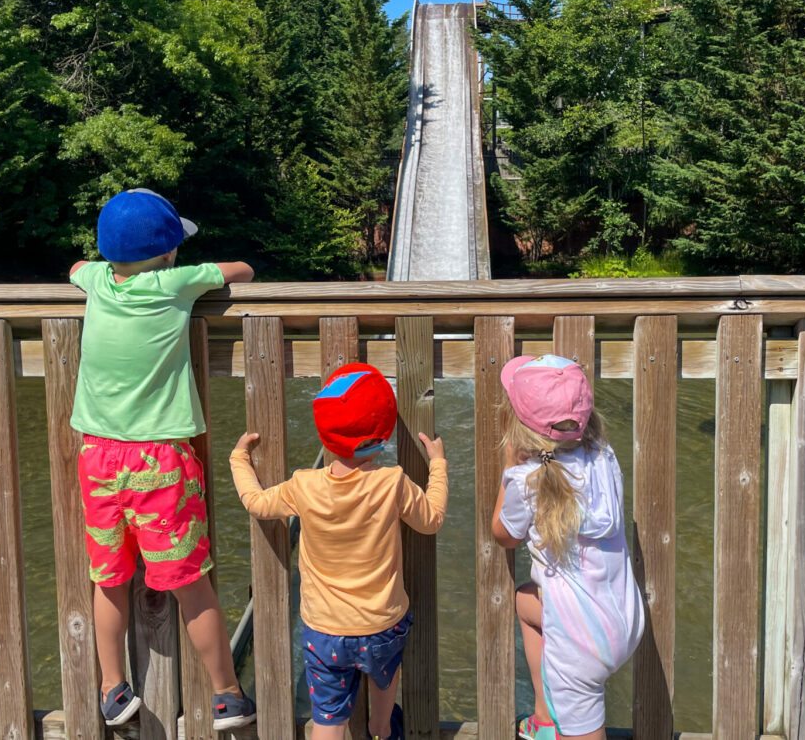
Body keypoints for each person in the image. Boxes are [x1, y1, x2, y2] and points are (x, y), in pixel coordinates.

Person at [69, 188, 256, 729]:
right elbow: (240, 270)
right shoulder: (177, 283)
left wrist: (93, 264)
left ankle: (111, 688)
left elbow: (78, 266)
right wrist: (198, 268)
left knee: (109, 579)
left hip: (98, 457)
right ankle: (227, 695)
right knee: (189, 581)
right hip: (159, 461)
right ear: (171, 252)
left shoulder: (98, 281)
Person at [229, 363, 448, 740]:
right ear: (383, 433)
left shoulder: (304, 486)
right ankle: (380, 728)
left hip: (324, 630)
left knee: (328, 720)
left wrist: (239, 458)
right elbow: (432, 519)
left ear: (325, 435)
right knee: (385, 679)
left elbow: (257, 503)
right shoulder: (391, 483)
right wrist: (439, 465)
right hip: (382, 624)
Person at [489, 355, 645, 740]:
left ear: (518, 423)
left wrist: (509, 469)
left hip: (578, 644)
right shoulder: (603, 458)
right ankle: (544, 718)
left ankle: (550, 720)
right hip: (623, 618)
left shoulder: (527, 479)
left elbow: (504, 534)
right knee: (526, 600)